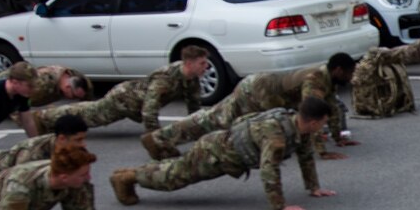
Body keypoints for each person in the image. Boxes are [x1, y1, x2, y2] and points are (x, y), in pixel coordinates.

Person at [110, 100, 334, 210]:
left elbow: (306, 156)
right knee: (174, 178)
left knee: (177, 167)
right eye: (323, 122)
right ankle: (129, 177)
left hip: (221, 147)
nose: (323, 127)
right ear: (313, 122)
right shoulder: (276, 136)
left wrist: (314, 187)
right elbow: (268, 169)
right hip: (215, 154)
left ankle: (132, 173)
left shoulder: (296, 125)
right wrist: (280, 205)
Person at [150, 55, 357, 160]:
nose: (351, 77)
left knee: (215, 119)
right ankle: (160, 138)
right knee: (214, 121)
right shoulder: (316, 80)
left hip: (265, 94)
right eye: (349, 72)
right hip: (255, 92)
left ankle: (163, 137)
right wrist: (322, 152)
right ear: (338, 70)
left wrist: (339, 139)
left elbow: (332, 108)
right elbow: (310, 114)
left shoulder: (328, 79)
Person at [0, 112, 112, 210]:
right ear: (62, 138)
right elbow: (22, 190)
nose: (83, 144)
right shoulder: (32, 152)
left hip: (2, 174)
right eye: (78, 139)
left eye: (83, 139)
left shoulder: (73, 151)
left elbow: (81, 181)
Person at [34, 45, 210, 134]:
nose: (207, 67)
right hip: (123, 99)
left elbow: (193, 107)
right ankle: (45, 117)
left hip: (133, 103)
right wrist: (156, 138)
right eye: (202, 63)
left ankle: (49, 115)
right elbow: (149, 111)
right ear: (189, 64)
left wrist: (199, 128)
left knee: (90, 112)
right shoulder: (166, 79)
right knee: (90, 116)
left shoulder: (191, 78)